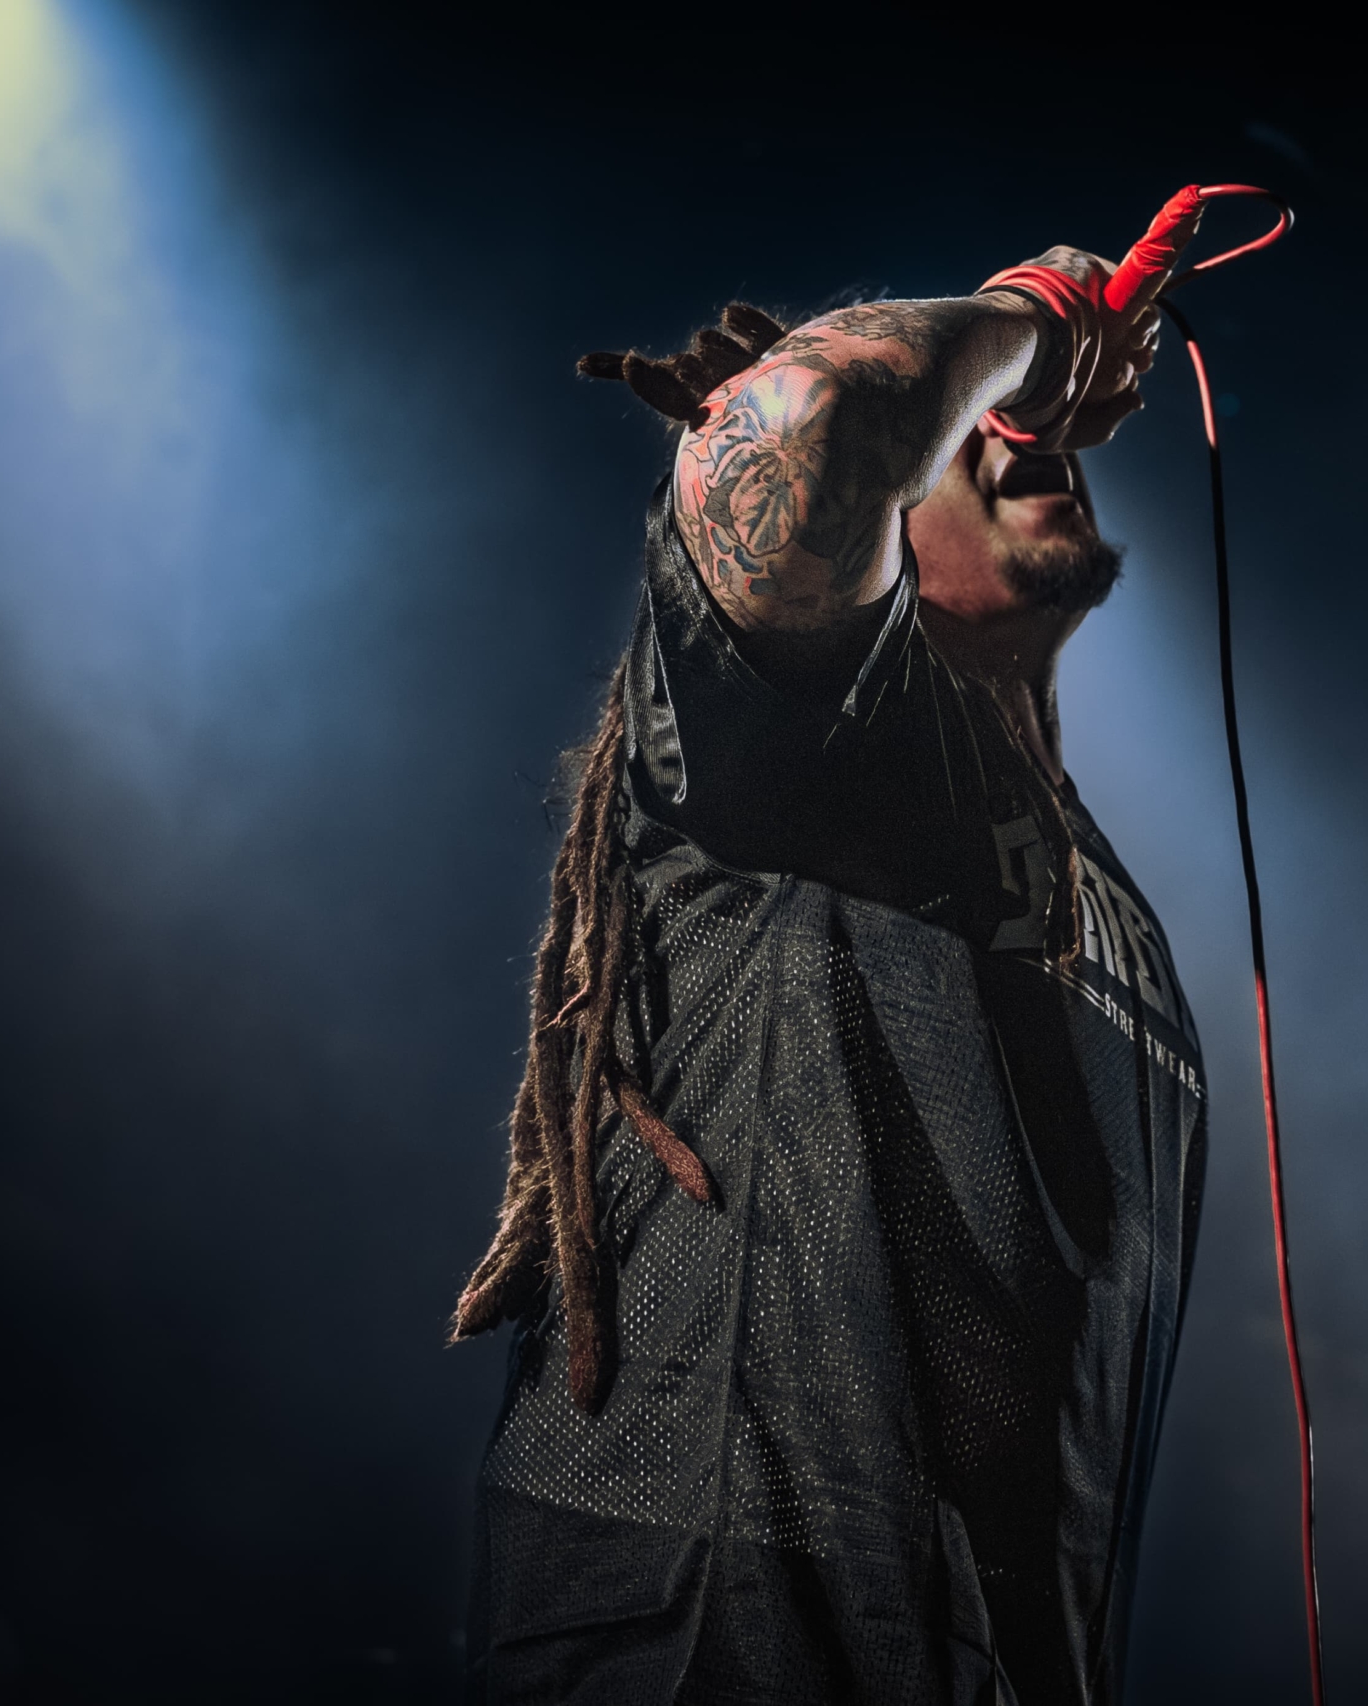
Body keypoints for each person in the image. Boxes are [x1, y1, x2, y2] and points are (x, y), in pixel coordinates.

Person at [452, 219, 1212, 1705]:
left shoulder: (1094, 882)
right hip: (713, 1627)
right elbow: (820, 417)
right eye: (962, 427)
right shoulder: (819, 739)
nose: (1012, 432)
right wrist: (1038, 321)